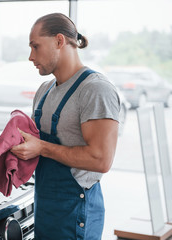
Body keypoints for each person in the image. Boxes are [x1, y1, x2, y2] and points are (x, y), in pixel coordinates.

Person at [10, 13, 120, 240]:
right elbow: (36, 148)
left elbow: (101, 160)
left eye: (35, 46)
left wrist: (41, 148)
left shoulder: (95, 90)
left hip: (76, 216)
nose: (31, 56)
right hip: (45, 212)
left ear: (59, 41)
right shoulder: (44, 90)